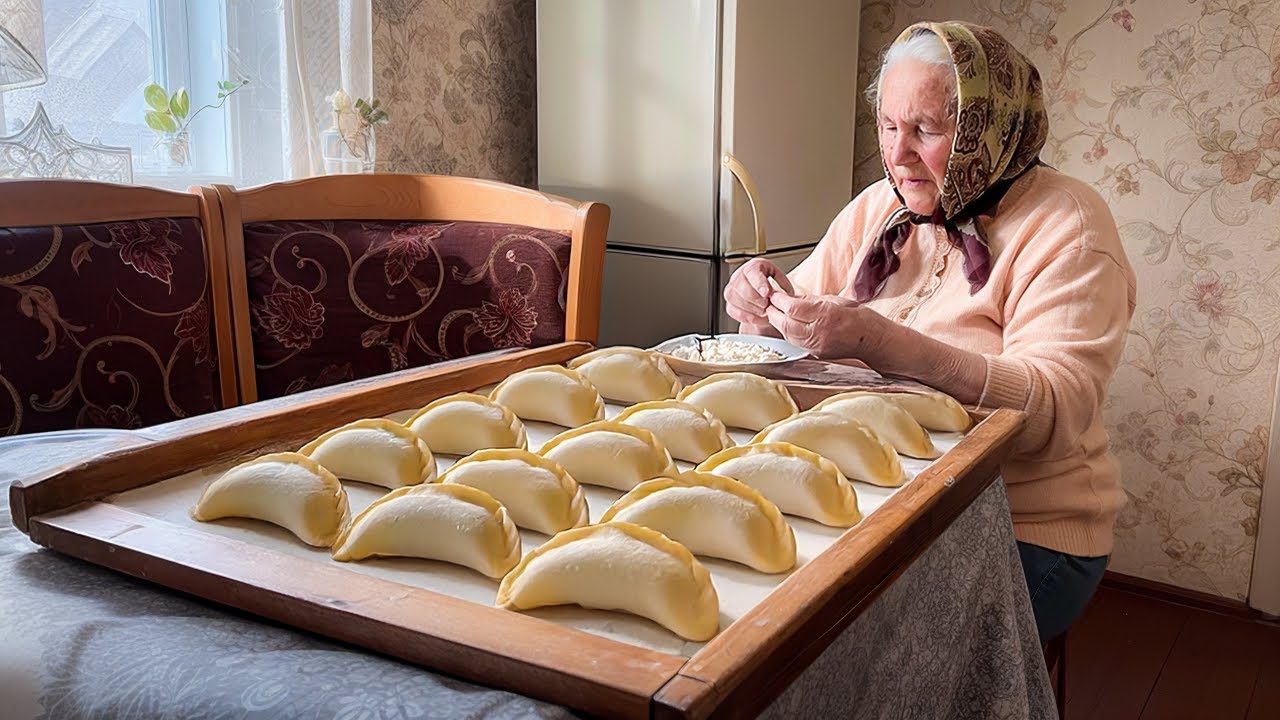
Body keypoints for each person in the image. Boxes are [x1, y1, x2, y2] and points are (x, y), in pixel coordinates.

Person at [724, 20, 1136, 644]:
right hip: (873, 502)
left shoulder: (1066, 225)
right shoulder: (877, 206)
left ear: (990, 129)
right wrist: (758, 306)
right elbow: (791, 330)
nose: (898, 155)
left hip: (1016, 524)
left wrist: (878, 342)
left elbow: (1055, 411)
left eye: (927, 129)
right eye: (889, 127)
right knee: (753, 611)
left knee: (847, 648)